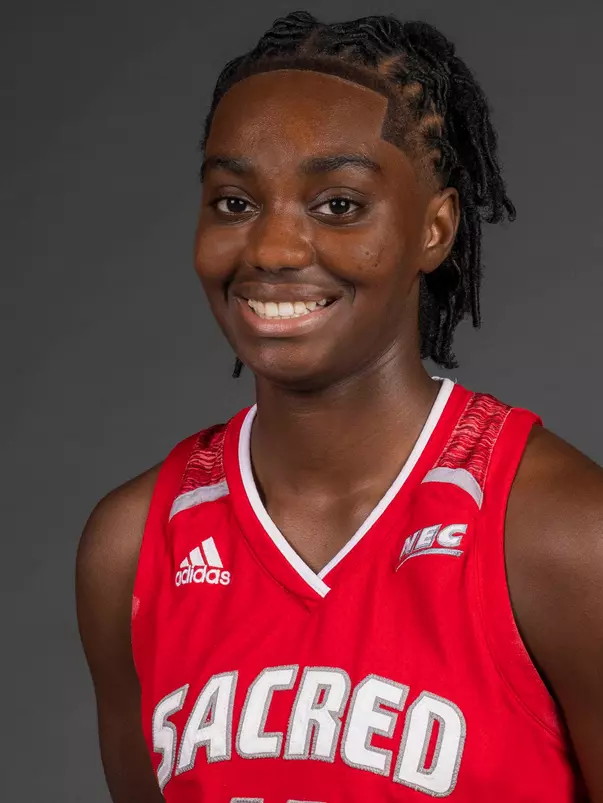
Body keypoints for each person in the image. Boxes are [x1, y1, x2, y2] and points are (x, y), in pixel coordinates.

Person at [76, 11, 603, 802]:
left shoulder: (561, 537)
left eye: (337, 205)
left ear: (433, 228)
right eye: (233, 202)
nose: (272, 250)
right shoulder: (131, 549)